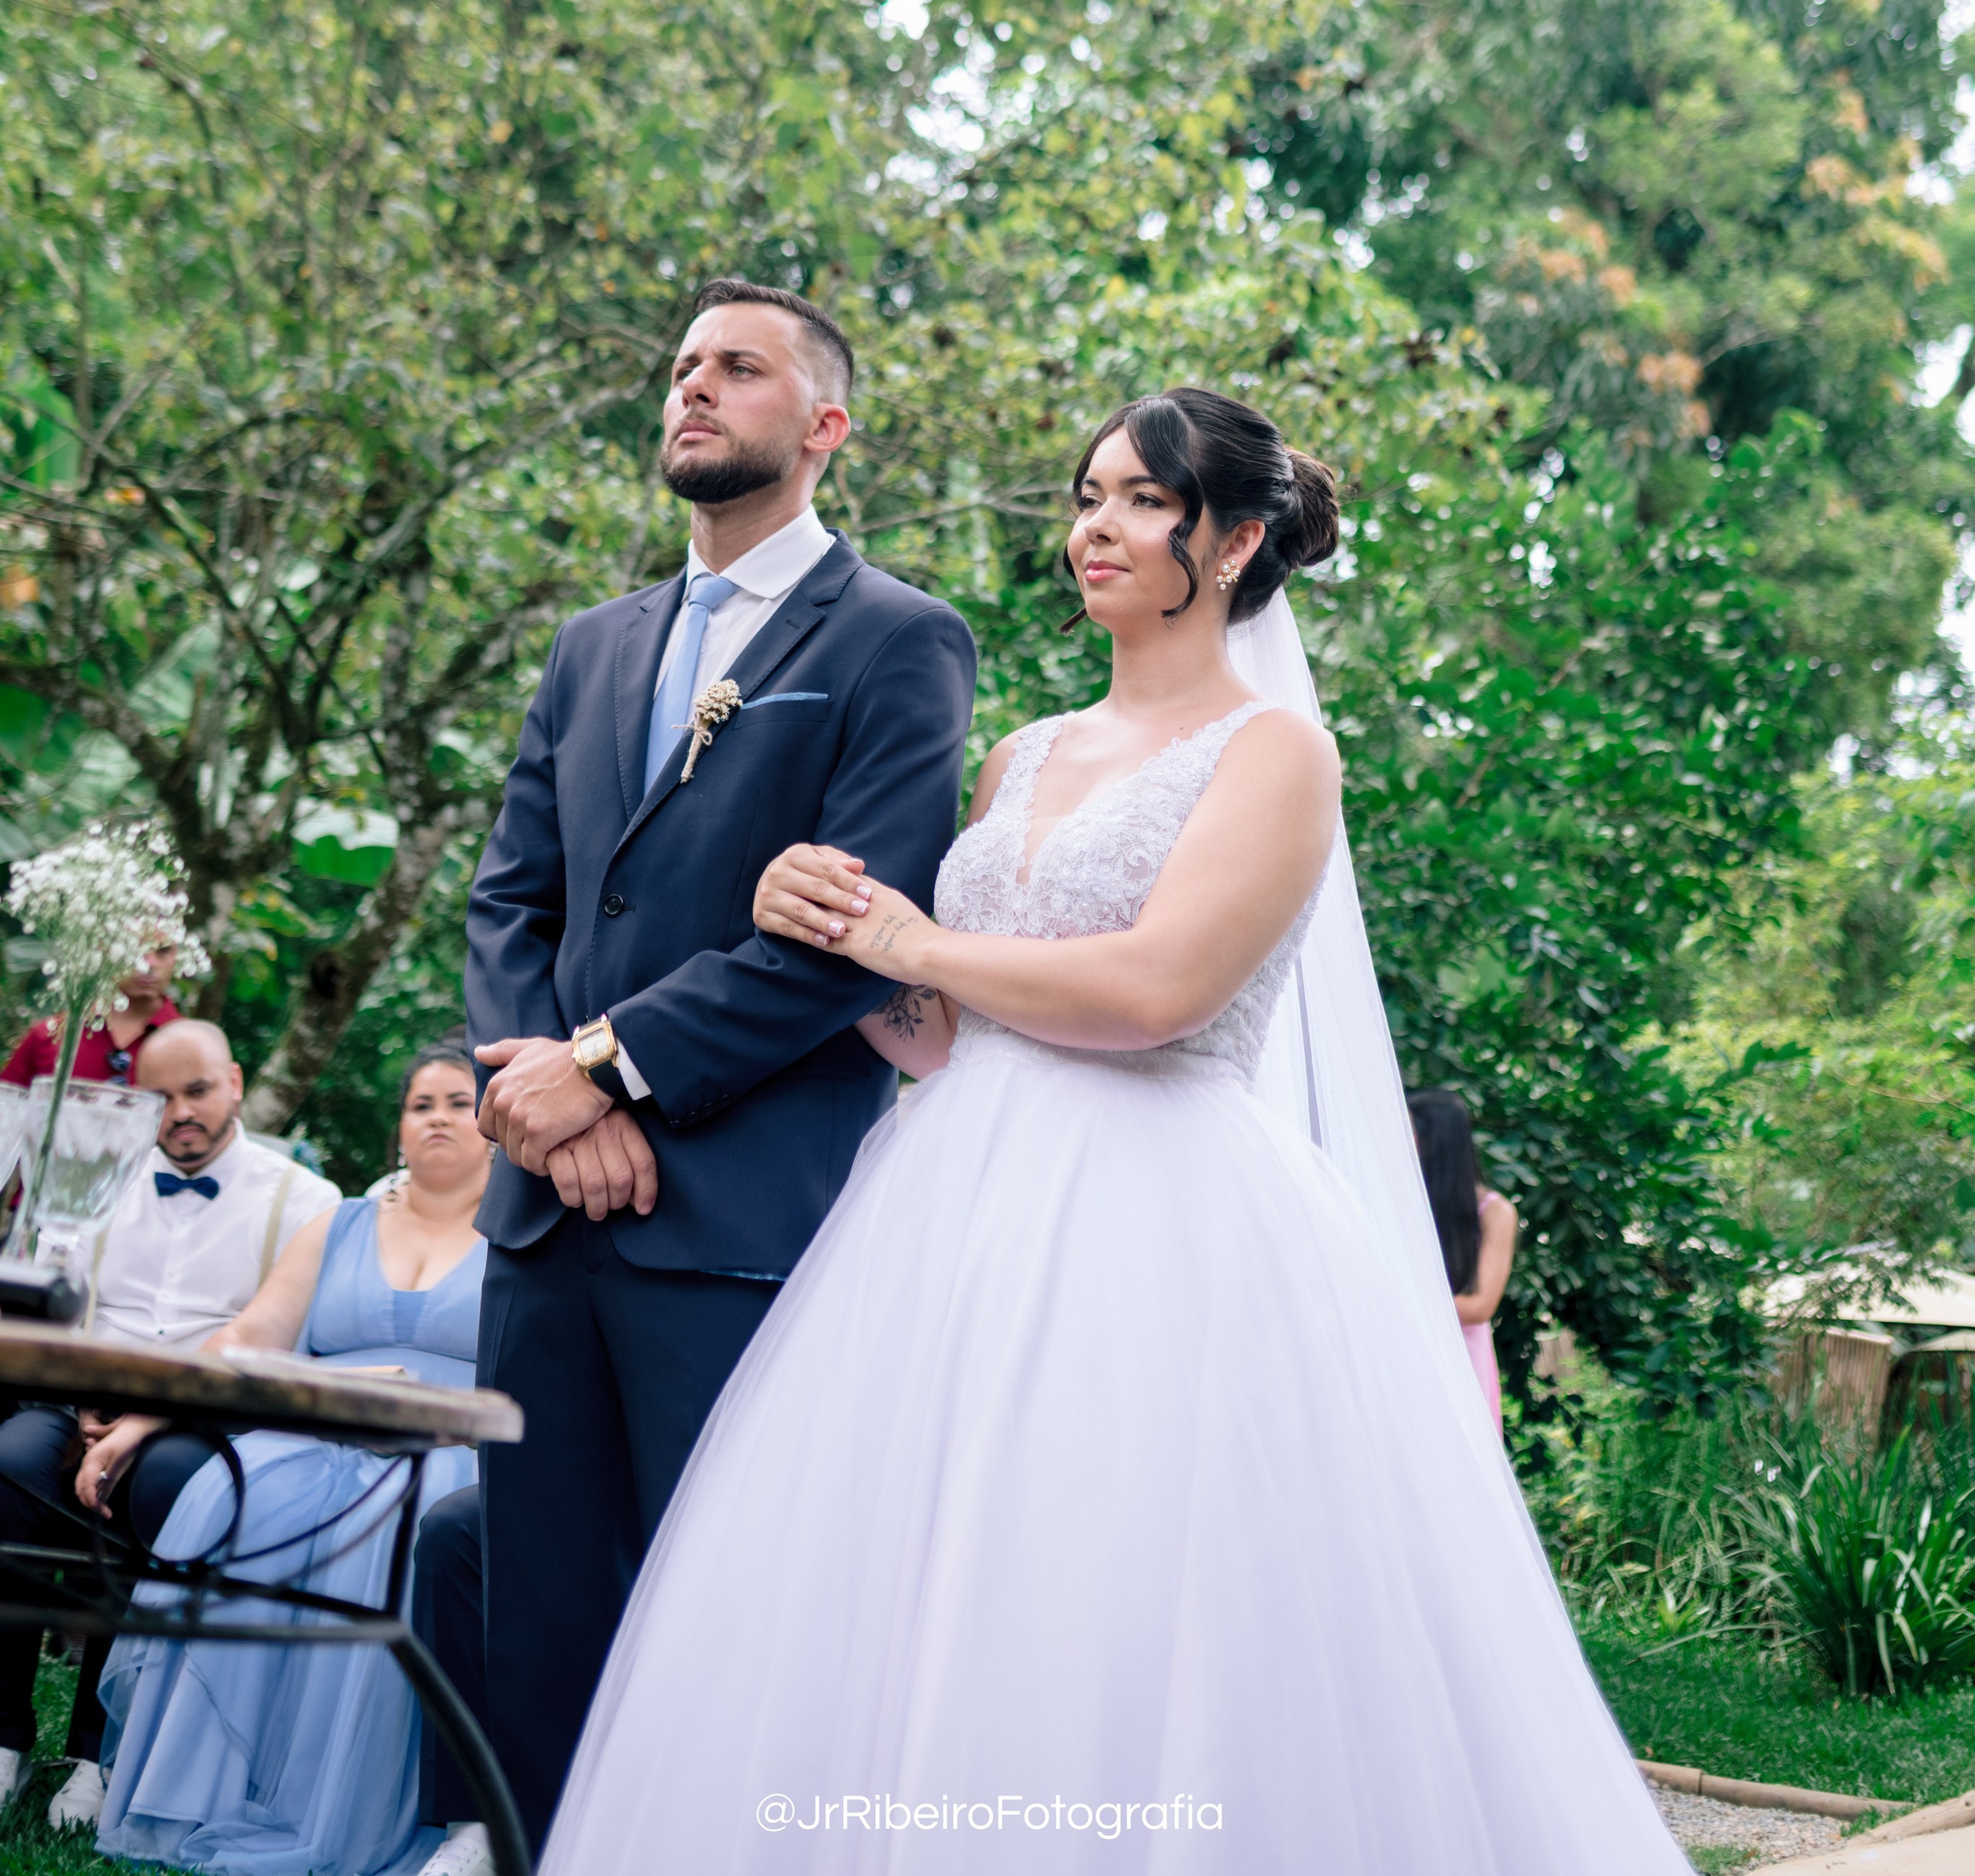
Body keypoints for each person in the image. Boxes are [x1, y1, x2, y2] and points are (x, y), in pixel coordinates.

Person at [537, 386, 1688, 1874]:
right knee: (919, 1587)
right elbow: (939, 1037)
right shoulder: (1022, 754)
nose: (1097, 526)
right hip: (949, 1208)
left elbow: (1156, 991)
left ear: (1235, 540)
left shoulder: (1276, 753)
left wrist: (909, 942)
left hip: (1164, 1218)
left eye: (1142, 500)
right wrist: (818, 926)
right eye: (1089, 496)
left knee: (1120, 1585)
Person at [440, 278, 975, 1862]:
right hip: (547, 1226)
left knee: (732, 1617)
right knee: (531, 1612)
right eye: (681, 367)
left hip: (734, 1217)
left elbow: (849, 932)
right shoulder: (589, 647)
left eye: (737, 369)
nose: (694, 388)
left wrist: (610, 1070)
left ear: (822, 427)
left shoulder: (896, 640)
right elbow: (509, 900)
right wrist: (535, 1102)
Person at [92, 1044, 488, 1876]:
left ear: (495, 1121)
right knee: (236, 1494)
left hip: (449, 1450)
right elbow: (242, 1344)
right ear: (400, 1129)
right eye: (421, 1104)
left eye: (459, 1100)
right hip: (308, 1439)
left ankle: (370, 1811)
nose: (440, 1117)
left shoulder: (525, 1233)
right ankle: (215, 1793)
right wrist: (138, 1422)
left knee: (415, 1512)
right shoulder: (339, 1221)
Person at [0, 1017, 338, 1832]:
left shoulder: (303, 1199)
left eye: (195, 1091)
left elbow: (273, 1345)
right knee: (8, 1466)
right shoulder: (97, 1180)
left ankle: (99, 1749)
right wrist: (80, 1397)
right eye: (159, 1097)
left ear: (234, 1082)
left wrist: (141, 1425)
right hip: (80, 1401)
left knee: (160, 1488)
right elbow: (58, 1299)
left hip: (204, 1418)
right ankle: (5, 1737)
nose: (179, 1112)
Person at [1408, 1085, 1519, 1434]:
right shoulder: (1399, 1205)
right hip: (1403, 1346)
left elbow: (1481, 1305)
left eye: (1407, 1130)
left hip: (1461, 1357)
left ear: (1434, 1140)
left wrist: (1397, 1302)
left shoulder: (1494, 1212)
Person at [3, 939, 182, 1087]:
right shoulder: (50, 1035)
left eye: (162, 951)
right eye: (132, 948)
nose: (148, 964)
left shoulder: (190, 1045)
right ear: (104, 951)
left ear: (177, 957)